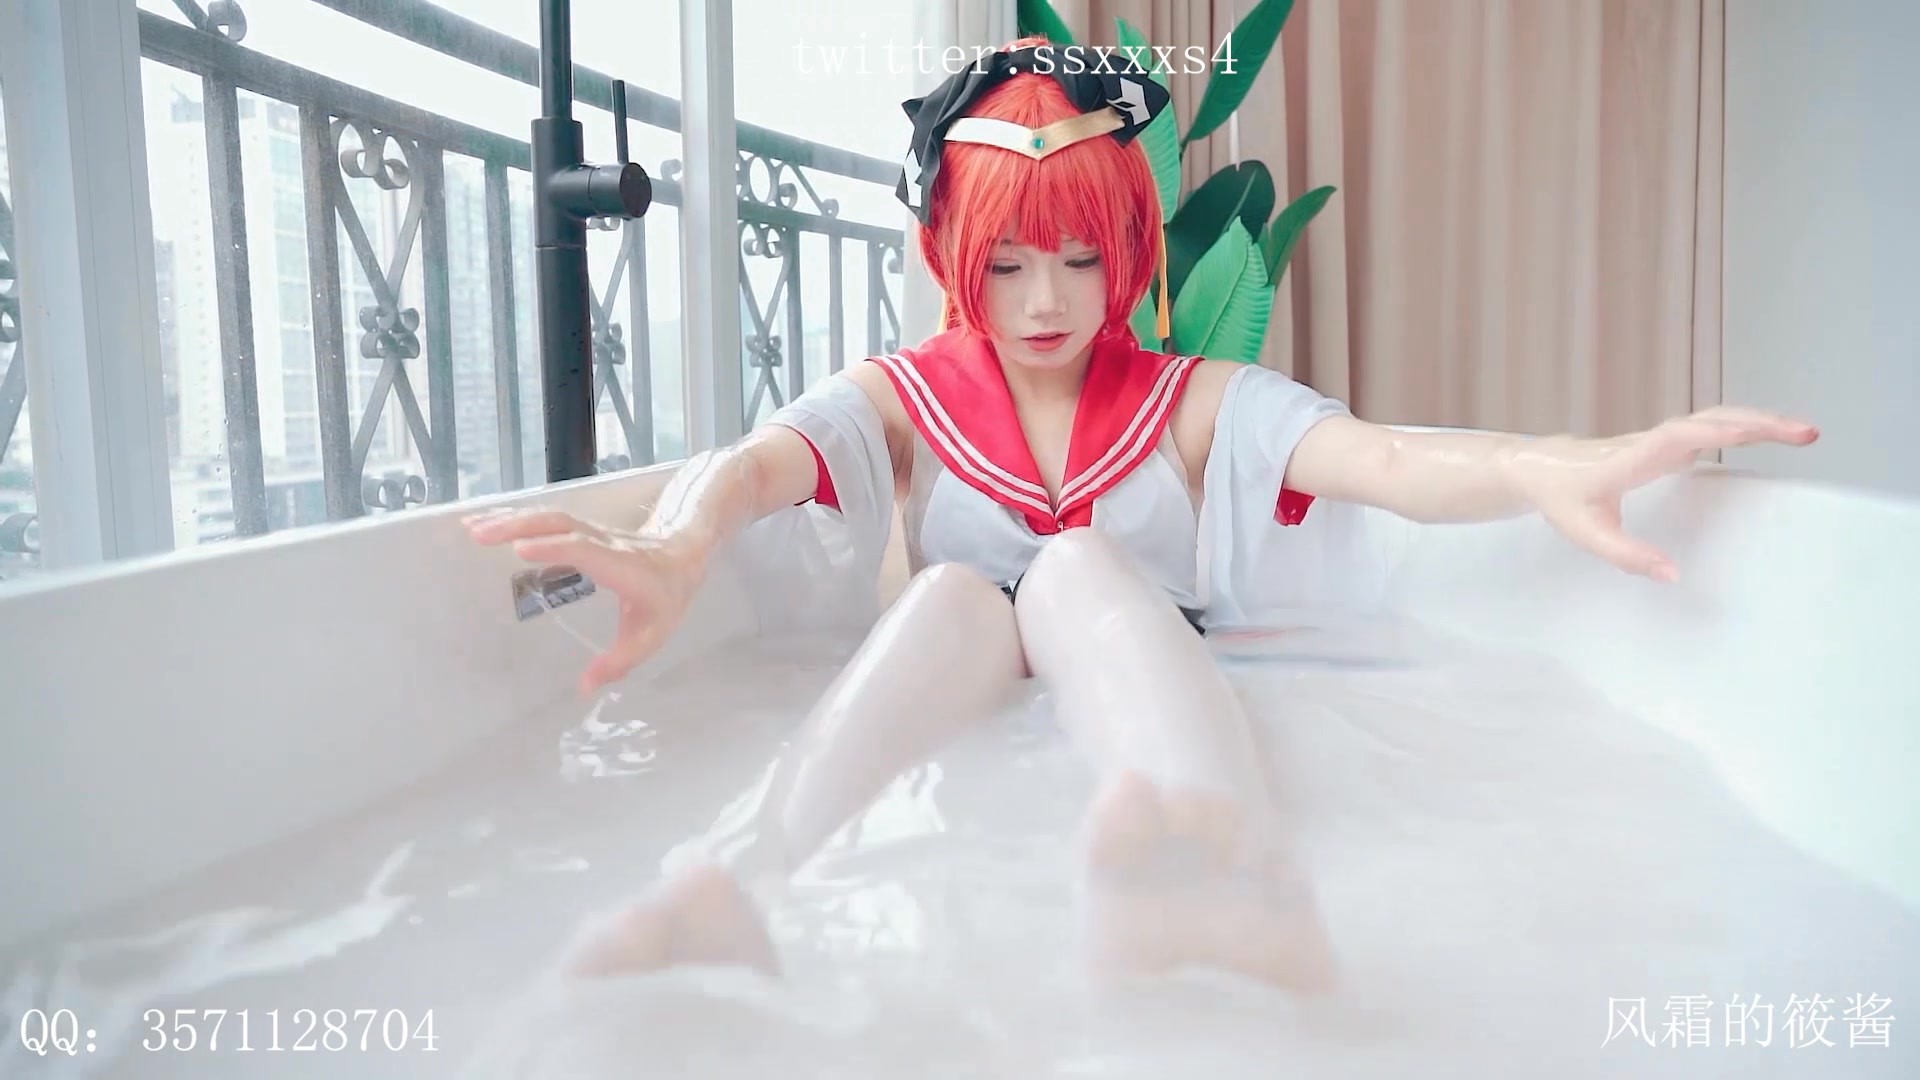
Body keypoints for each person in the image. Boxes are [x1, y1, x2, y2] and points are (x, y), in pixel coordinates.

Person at [465, 37, 1816, 994]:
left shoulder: (1188, 401)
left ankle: (1203, 854)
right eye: (1007, 263)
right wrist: (671, 542)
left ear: (1126, 251)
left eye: (1079, 257)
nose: (1047, 299)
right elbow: (758, 465)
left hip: (1145, 695)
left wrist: (1548, 464)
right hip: (960, 711)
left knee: (1073, 565)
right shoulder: (906, 396)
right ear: (952, 256)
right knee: (958, 594)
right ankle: (745, 880)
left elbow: (1386, 459)